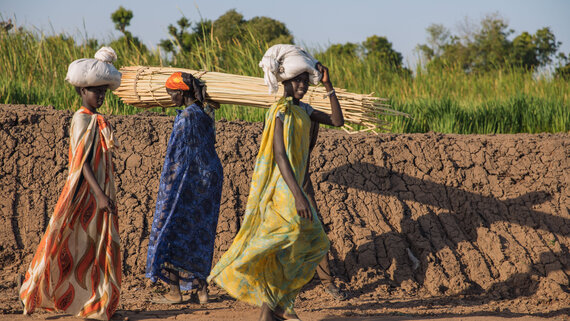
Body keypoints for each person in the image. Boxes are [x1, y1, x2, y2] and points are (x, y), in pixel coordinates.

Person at [208, 44, 344, 321]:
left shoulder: (304, 110)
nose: (303, 85)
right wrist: (298, 195)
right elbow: (280, 156)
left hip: (295, 188)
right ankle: (266, 298)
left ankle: (274, 308)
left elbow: (337, 121)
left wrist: (329, 87)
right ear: (286, 81)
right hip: (283, 189)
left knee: (315, 242)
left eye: (306, 81)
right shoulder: (278, 112)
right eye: (298, 80)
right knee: (290, 238)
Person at [18, 47, 122, 320]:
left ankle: (93, 300)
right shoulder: (81, 119)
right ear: (82, 91)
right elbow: (82, 162)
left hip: (96, 192)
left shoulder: (96, 120)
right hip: (85, 193)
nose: (100, 95)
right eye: (95, 90)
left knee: (90, 247)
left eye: (103, 91)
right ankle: (33, 289)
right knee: (62, 242)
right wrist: (99, 195)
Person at [146, 72, 223, 305]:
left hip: (187, 184)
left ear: (181, 92)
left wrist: (169, 187)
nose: (170, 97)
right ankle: (201, 291)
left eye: (171, 92)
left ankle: (175, 292)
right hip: (207, 183)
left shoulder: (186, 118)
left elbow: (178, 156)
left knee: (169, 230)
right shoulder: (204, 114)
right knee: (197, 235)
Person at [303, 122, 348, 301]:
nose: (302, 91)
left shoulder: (310, 115)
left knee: (316, 231)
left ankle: (327, 282)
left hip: (302, 181)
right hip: (282, 181)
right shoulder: (281, 114)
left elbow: (337, 122)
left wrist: (330, 92)